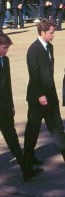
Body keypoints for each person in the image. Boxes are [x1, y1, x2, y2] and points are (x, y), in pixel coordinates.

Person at [0, 33, 42, 180]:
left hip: (4, 109)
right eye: (4, 48)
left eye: (7, 48)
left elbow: (8, 86)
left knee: (13, 140)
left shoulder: (6, 61)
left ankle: (26, 171)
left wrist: (11, 105)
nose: (6, 51)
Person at [24, 18, 65, 165]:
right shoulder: (33, 50)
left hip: (50, 95)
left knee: (57, 127)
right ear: (42, 32)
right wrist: (41, 94)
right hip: (37, 97)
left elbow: (49, 73)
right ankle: (28, 157)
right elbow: (34, 75)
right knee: (33, 129)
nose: (53, 35)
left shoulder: (50, 47)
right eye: (51, 33)